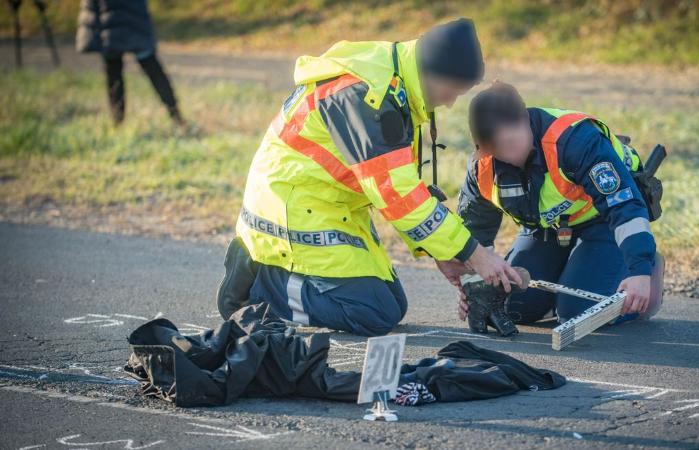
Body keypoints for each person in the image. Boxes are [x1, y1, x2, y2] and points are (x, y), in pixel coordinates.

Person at [216, 19, 521, 336]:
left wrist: (442, 254)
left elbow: (403, 190)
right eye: (451, 91)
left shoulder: (395, 79)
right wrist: (475, 253)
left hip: (329, 204)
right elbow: (399, 198)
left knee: (391, 303)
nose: (449, 102)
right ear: (431, 72)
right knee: (373, 314)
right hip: (290, 208)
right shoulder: (369, 97)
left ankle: (269, 277)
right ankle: (257, 289)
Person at [444, 81, 664, 325]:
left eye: (512, 143)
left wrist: (640, 271)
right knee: (512, 306)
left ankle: (647, 274)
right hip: (548, 228)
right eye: (497, 149)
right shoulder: (482, 167)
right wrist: (472, 289)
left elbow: (623, 206)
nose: (508, 155)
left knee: (579, 313)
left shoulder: (575, 141)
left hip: (604, 222)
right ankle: (566, 282)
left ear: (525, 119)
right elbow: (475, 234)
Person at [76, 0, 183, 126]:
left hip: (116, 17)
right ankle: (175, 116)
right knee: (120, 71)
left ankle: (175, 116)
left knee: (124, 70)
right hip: (122, 17)